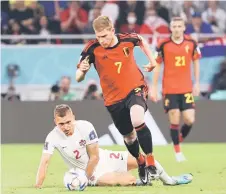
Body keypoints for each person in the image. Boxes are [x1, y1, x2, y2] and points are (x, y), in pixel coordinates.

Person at [76, 15, 158, 184]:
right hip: (113, 99)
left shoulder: (127, 39)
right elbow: (78, 77)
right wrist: (83, 71)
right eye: (99, 37)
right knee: (128, 137)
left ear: (112, 30)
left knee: (137, 119)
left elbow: (141, 40)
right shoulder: (92, 48)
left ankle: (150, 160)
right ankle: (140, 160)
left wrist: (152, 62)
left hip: (134, 88)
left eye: (105, 36)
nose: (102, 40)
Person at [35, 104, 193, 190]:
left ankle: (169, 180)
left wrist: (83, 178)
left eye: (68, 122)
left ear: (73, 118)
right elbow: (44, 163)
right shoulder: (52, 137)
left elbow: (95, 156)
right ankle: (140, 181)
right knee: (128, 179)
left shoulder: (85, 127)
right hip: (92, 173)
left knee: (143, 160)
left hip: (102, 159)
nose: (66, 126)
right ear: (55, 122)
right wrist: (38, 185)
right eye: (61, 124)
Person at [149, 17, 201, 162]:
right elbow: (157, 65)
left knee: (190, 119)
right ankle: (178, 152)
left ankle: (177, 140)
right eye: (174, 26)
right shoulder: (163, 44)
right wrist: (154, 87)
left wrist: (197, 82)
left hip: (186, 88)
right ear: (170, 28)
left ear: (184, 28)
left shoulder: (191, 43)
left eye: (179, 26)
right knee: (174, 116)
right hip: (169, 88)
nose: (177, 29)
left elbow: (196, 61)